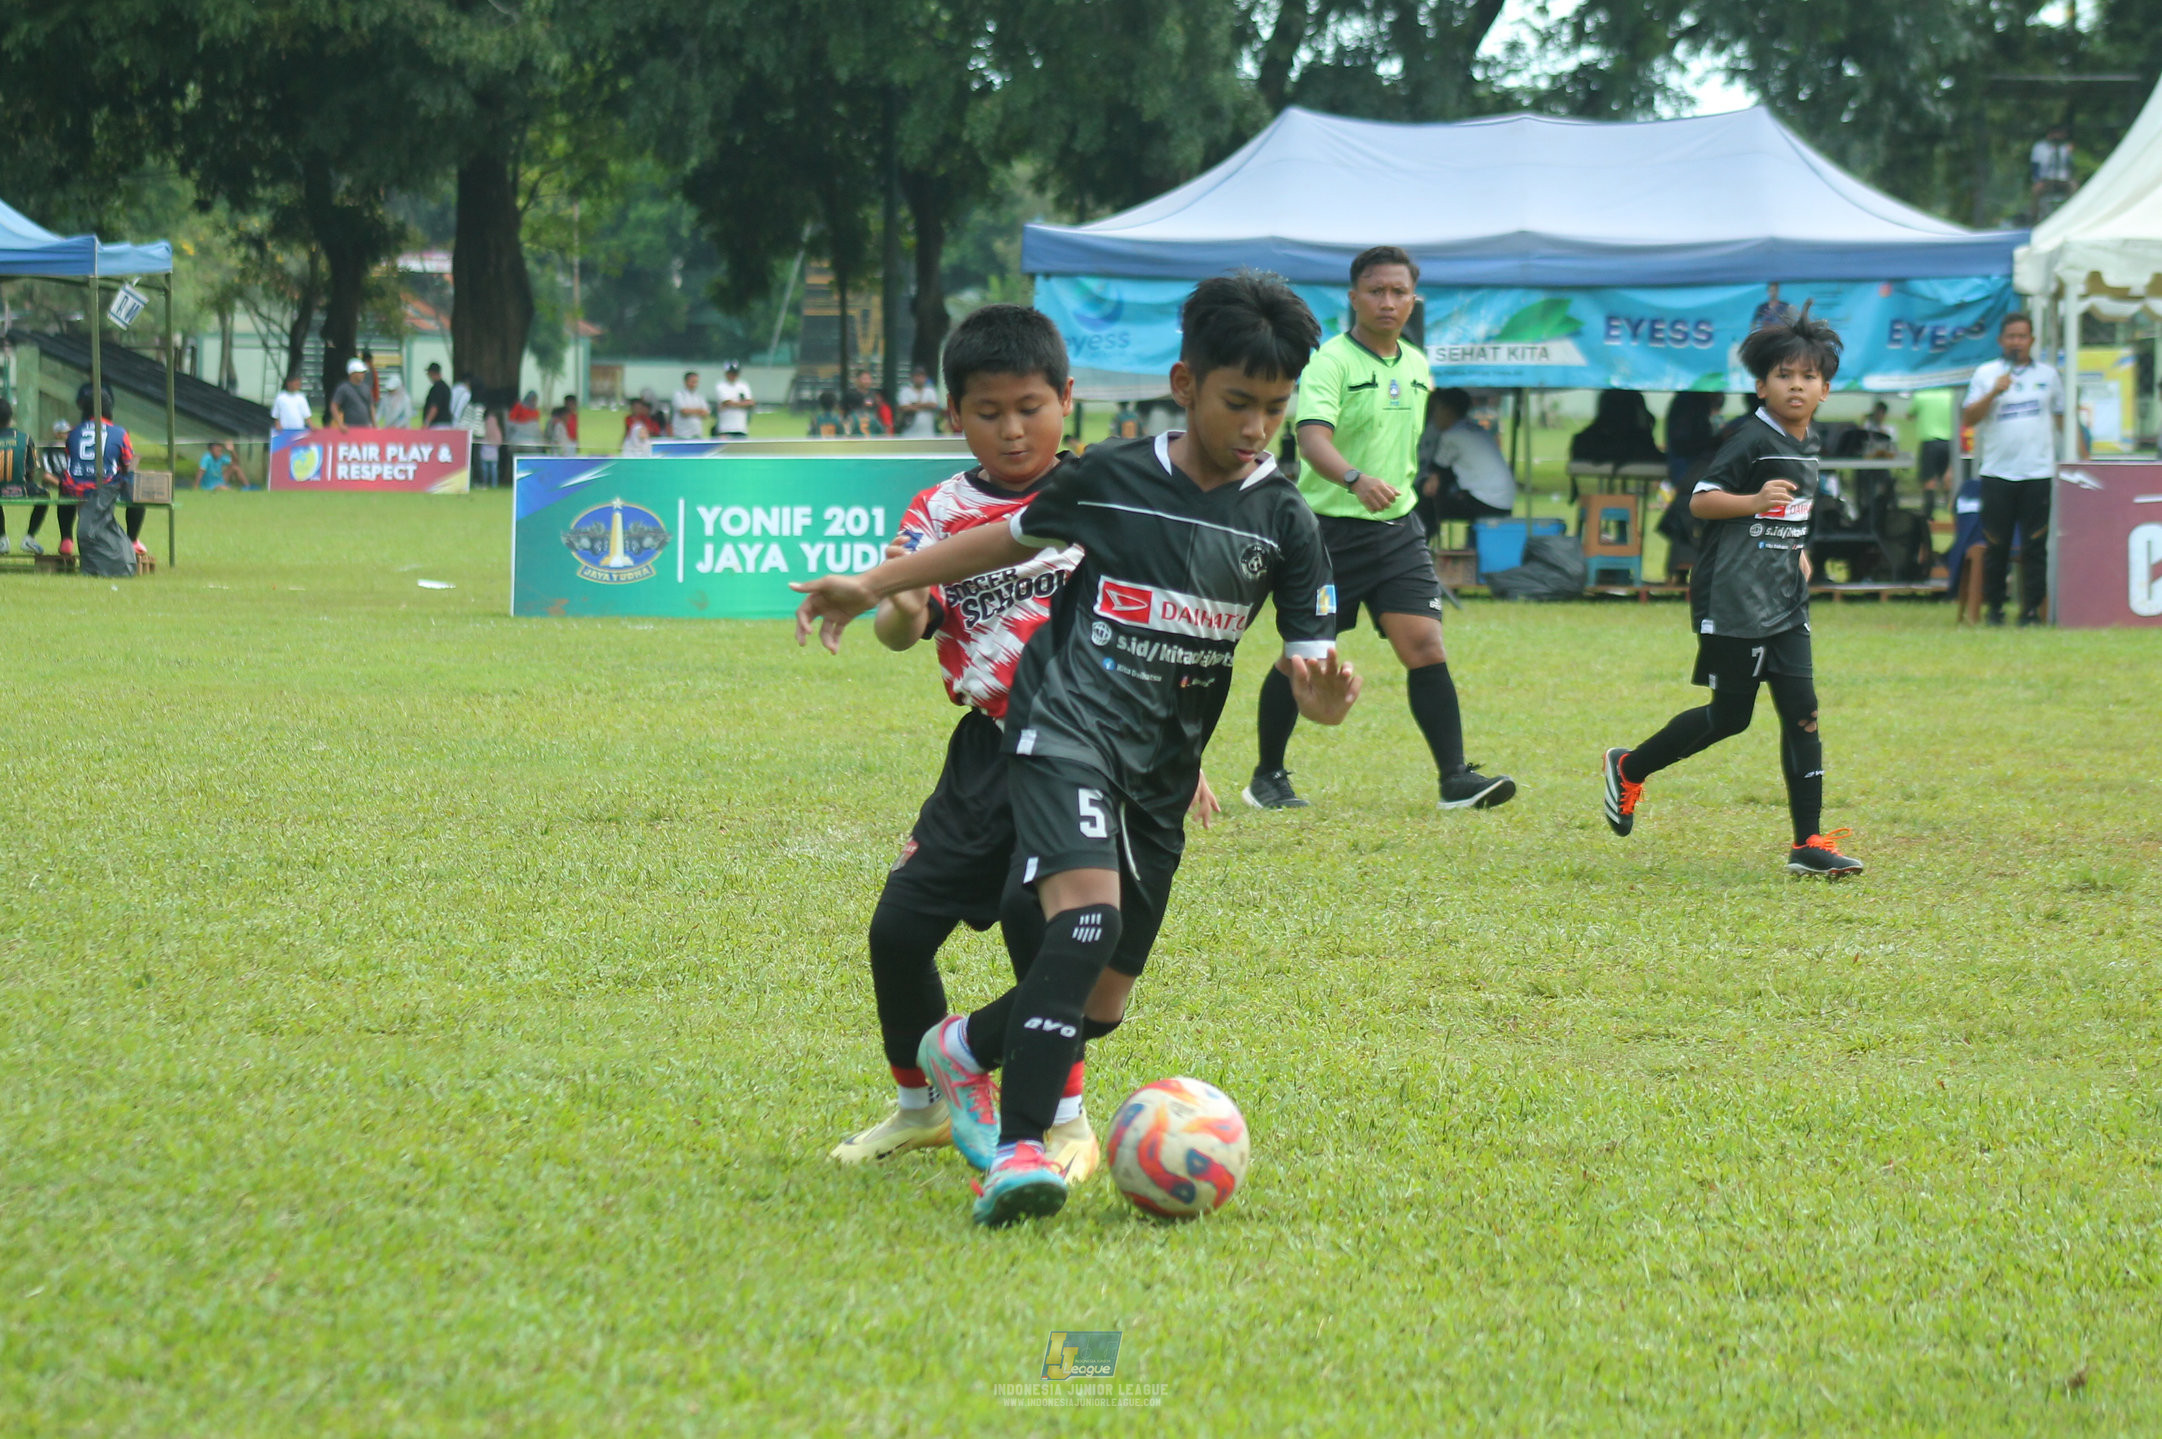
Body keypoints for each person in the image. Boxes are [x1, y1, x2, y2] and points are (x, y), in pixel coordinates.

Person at [794, 272, 1359, 1226]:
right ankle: (1020, 1148)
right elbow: (994, 545)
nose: (1259, 424)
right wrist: (875, 583)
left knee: (1100, 1002)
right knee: (1076, 921)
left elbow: (1319, 679)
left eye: (1276, 406)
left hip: (1160, 771)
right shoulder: (1114, 475)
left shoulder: (1288, 525)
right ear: (1185, 383)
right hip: (1058, 731)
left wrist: (1325, 700)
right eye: (1238, 402)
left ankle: (965, 1046)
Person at [827, 303, 1100, 1177]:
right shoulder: (939, 509)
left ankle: (1066, 1119)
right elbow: (901, 629)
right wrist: (899, 604)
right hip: (983, 754)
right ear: (954, 415)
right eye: (989, 412)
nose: (1013, 429)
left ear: (1067, 398)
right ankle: (923, 1108)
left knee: (1039, 920)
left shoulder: (1105, 498)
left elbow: (1155, 636)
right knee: (898, 930)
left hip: (1078, 747)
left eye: (1031, 406)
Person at [1245, 244, 1514, 814]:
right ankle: (1266, 777)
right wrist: (1355, 478)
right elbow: (1312, 440)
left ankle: (1454, 780)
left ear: (1414, 299)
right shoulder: (1330, 362)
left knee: (1426, 645)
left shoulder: (1418, 366)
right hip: (1327, 532)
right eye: (1375, 291)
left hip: (1397, 528)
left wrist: (1387, 491)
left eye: (1398, 292)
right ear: (1354, 298)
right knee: (1305, 656)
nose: (1387, 302)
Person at [1600, 306, 1862, 878]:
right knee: (1731, 717)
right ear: (1762, 385)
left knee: (1804, 715)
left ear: (1826, 389)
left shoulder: (1807, 443)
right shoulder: (1750, 438)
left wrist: (1799, 550)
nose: (1797, 385)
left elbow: (1787, 513)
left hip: (1786, 600)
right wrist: (1750, 503)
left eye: (1809, 377)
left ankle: (1809, 841)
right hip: (1733, 598)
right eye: (1784, 376)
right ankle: (1630, 768)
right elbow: (1699, 500)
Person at [1961, 311, 2080, 626]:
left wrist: (2082, 454)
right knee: (1996, 544)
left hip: (2037, 472)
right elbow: (1969, 417)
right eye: (2010, 336)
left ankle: (2031, 611)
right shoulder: (1987, 374)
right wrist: (1994, 392)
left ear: (2032, 340)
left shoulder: (2048, 376)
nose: (2016, 342)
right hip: (1998, 472)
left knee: (2035, 545)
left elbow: (2062, 419)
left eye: (2022, 336)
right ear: (2001, 341)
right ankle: (1995, 609)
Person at [1415, 387, 1516, 530]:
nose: (1434, 416)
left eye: (1435, 410)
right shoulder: (1474, 429)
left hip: (1486, 503)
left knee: (1424, 500)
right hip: (1504, 502)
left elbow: (1437, 470)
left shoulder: (1452, 435)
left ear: (1446, 410)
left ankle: (1423, 544)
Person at [62, 384, 136, 576]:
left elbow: (70, 457)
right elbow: (128, 463)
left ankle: (66, 538)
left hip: (76, 489)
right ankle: (133, 539)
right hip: (105, 488)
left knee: (64, 488)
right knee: (136, 483)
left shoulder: (74, 432)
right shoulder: (120, 433)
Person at [0, 398, 48, 556]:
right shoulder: (25, 438)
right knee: (45, 495)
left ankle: (2, 539)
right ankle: (29, 538)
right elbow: (32, 471)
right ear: (11, 417)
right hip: (22, 488)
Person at [2031, 124, 2076, 219]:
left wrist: (2070, 154)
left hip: (2062, 178)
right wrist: (2037, 180)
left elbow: (2070, 166)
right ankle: (2034, 217)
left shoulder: (2065, 147)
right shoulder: (2040, 147)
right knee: (2035, 190)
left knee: (2073, 186)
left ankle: (2073, 214)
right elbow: (2035, 166)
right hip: (2046, 179)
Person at [894, 364, 940, 438]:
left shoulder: (930, 391)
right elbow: (903, 407)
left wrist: (914, 405)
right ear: (912, 377)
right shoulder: (905, 391)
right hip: (908, 434)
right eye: (917, 376)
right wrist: (924, 406)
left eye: (922, 376)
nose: (919, 378)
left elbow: (934, 405)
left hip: (928, 434)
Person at [329, 359, 373, 430]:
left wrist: (374, 425)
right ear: (352, 373)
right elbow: (334, 406)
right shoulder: (343, 388)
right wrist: (340, 424)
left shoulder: (366, 388)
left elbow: (371, 407)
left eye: (363, 372)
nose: (363, 374)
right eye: (360, 372)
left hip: (366, 427)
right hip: (350, 428)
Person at [714, 363, 755, 438]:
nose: (733, 375)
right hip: (725, 428)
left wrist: (733, 403)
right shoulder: (721, 386)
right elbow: (727, 402)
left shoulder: (743, 386)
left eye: (735, 373)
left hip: (741, 428)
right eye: (731, 373)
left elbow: (751, 403)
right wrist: (742, 403)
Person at [671, 371, 710, 439]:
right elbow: (684, 411)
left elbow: (706, 413)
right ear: (685, 382)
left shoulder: (699, 396)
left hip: (696, 434)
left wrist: (691, 411)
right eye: (692, 381)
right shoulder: (679, 395)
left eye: (696, 382)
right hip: (682, 434)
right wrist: (699, 411)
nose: (694, 384)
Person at [421, 362, 454, 427]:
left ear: (432, 373)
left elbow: (434, 407)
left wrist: (426, 423)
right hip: (446, 423)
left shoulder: (437, 388)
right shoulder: (446, 387)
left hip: (438, 424)